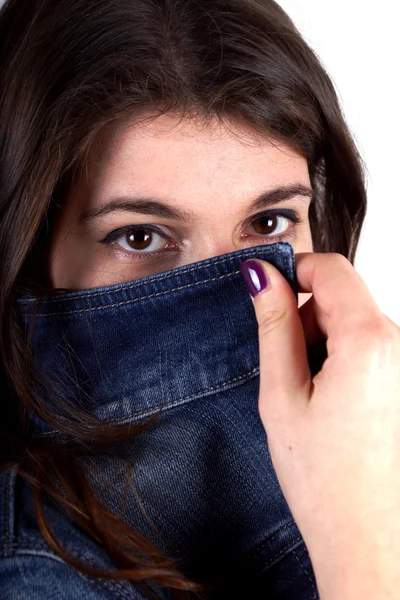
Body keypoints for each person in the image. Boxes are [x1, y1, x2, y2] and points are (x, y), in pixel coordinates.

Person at [0, 0, 399, 598]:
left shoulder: (367, 431)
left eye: (268, 223)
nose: (231, 290)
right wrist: (363, 550)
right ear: (27, 253)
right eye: (140, 236)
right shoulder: (32, 572)